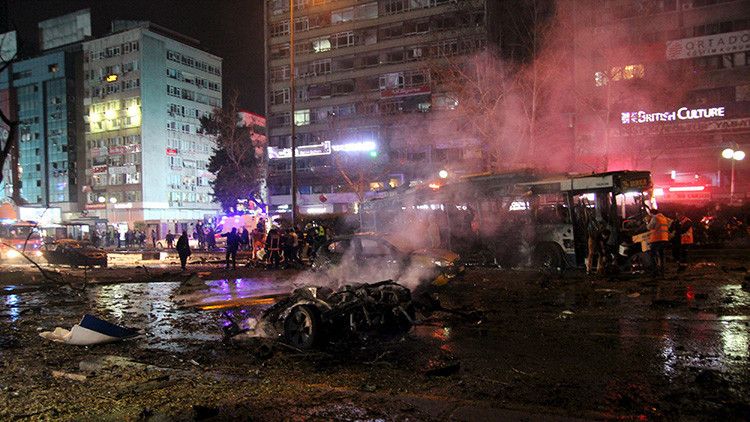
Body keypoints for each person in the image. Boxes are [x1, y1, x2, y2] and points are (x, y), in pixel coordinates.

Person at [647, 208, 671, 276]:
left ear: (652, 213)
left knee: (652, 255)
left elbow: (649, 227)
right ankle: (662, 271)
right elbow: (670, 223)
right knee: (662, 255)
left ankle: (655, 271)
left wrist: (648, 221)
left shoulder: (655, 218)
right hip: (664, 239)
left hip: (656, 239)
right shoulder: (664, 218)